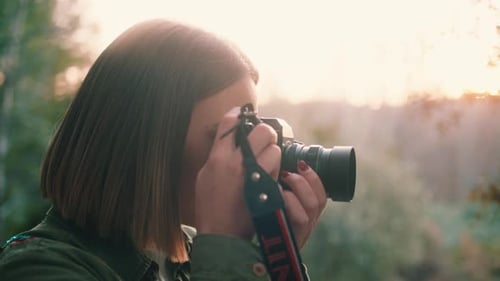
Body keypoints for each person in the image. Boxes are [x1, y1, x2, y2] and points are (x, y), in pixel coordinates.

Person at [0, 19, 327, 280]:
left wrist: (274, 258)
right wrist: (227, 249)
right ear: (143, 143)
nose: (242, 159)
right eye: (225, 136)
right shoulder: (37, 268)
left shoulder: (188, 261)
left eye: (247, 132)